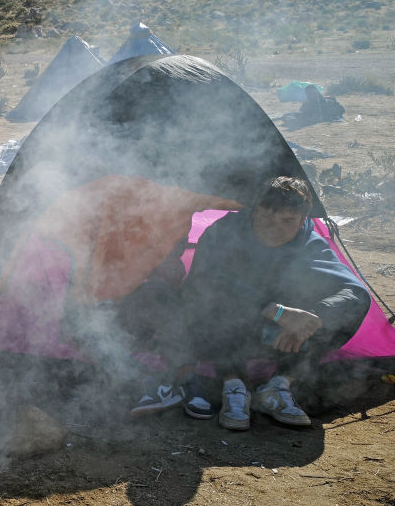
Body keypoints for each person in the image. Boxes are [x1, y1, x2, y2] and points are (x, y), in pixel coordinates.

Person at [131, 176, 370, 430]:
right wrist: (277, 312)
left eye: (286, 221)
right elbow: (206, 282)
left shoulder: (309, 244)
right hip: (221, 333)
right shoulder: (225, 232)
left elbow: (355, 293)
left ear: (302, 221)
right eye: (266, 217)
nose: (273, 228)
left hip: (279, 339)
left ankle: (279, 385)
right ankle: (234, 385)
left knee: (342, 311)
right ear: (253, 211)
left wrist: (312, 317)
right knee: (208, 302)